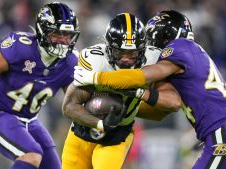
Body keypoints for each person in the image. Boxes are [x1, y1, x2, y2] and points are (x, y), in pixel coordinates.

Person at [74, 10, 226, 169]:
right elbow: (172, 102)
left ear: (164, 36)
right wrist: (138, 93)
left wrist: (97, 78)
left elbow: (143, 76)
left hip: (222, 136)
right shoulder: (194, 53)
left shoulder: (180, 47)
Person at [0, 2, 80, 169]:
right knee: (31, 155)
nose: (64, 41)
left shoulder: (70, 62)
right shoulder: (20, 47)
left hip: (29, 120)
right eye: (58, 34)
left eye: (68, 35)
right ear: (43, 31)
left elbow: (75, 102)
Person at [61, 13, 181, 169]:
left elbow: (173, 102)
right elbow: (68, 106)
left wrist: (140, 93)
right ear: (109, 48)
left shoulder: (154, 59)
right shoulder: (95, 59)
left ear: (143, 50)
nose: (125, 59)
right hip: (82, 131)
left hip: (117, 136)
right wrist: (101, 123)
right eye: (120, 52)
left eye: (132, 54)